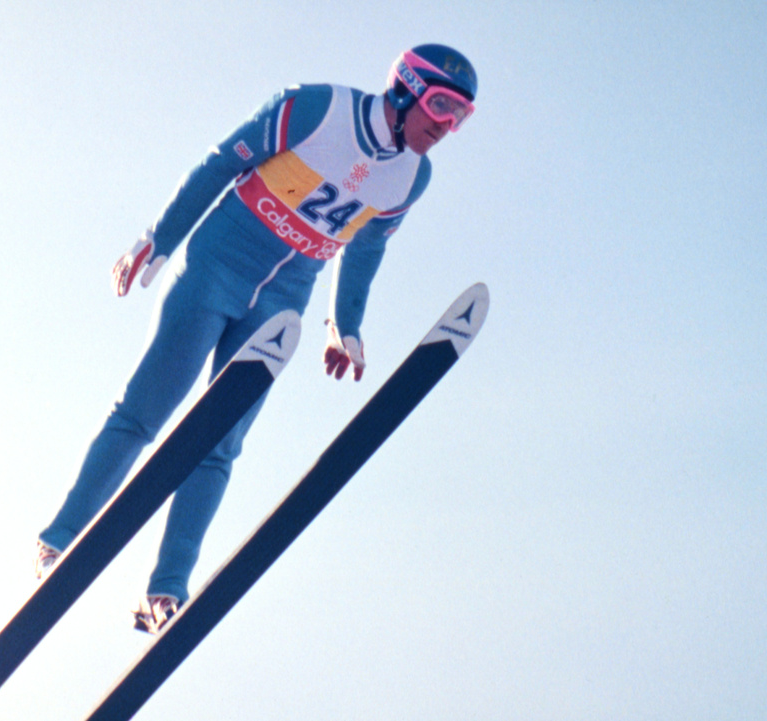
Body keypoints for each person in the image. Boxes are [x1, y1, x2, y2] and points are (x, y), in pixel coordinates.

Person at [36, 44, 479, 632]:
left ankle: (164, 591)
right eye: (442, 105)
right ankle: (59, 541)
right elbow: (221, 163)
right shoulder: (317, 108)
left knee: (217, 442)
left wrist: (343, 325)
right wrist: (159, 236)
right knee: (144, 413)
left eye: (463, 116)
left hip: (281, 301)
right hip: (217, 267)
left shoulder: (412, 177)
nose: (447, 125)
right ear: (405, 87)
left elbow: (368, 246)